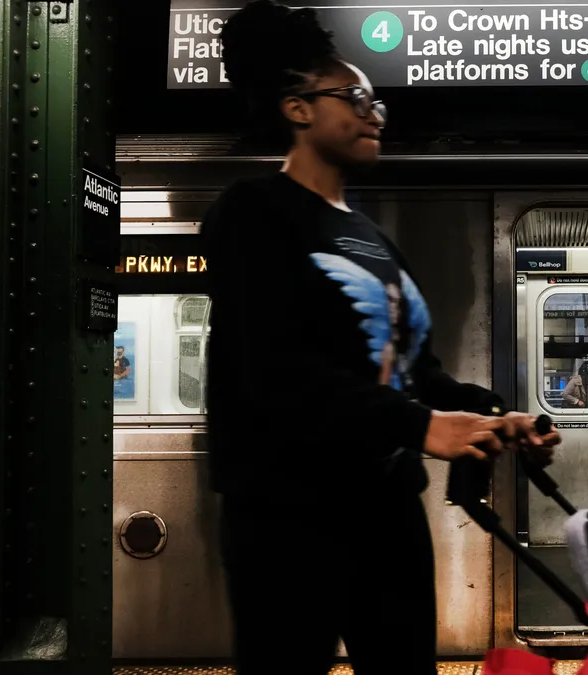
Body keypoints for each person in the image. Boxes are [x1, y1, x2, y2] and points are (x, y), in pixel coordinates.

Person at [202, 3, 561, 673]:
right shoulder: (254, 214)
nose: (374, 113)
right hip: (288, 515)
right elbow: (276, 370)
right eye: (355, 96)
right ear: (298, 108)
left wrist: (492, 416)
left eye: (378, 103)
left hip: (387, 509)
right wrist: (422, 424)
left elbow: (416, 372)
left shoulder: (371, 239)